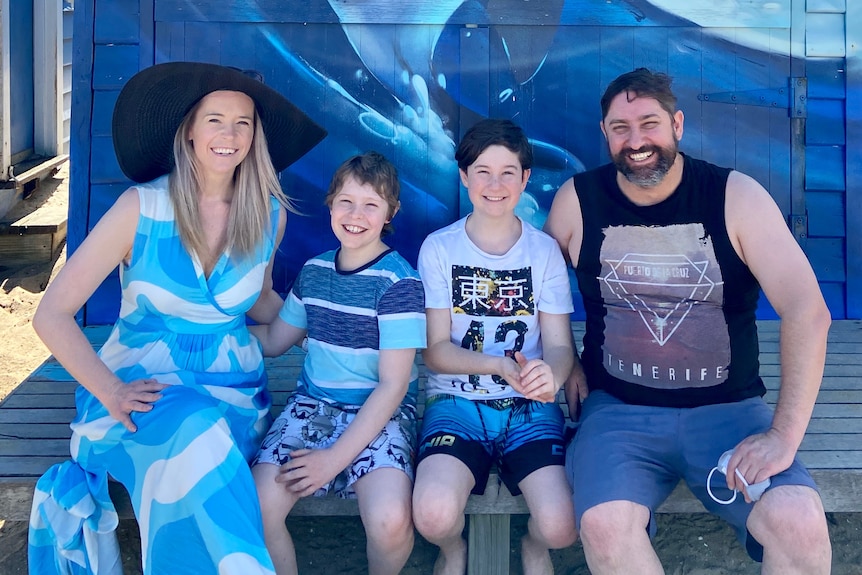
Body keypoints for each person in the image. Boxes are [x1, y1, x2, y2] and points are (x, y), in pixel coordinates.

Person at [28, 61, 326, 574]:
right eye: (215, 119)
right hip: (137, 392)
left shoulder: (267, 212)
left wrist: (320, 333)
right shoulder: (140, 208)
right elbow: (50, 314)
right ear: (188, 130)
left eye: (243, 123)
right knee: (192, 429)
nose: (229, 135)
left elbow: (256, 302)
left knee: (203, 433)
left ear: (256, 136)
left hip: (232, 396)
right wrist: (111, 391)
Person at [544, 67, 832, 574]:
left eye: (649, 123)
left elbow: (808, 311)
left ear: (677, 124)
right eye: (620, 127)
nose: (636, 141)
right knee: (605, 525)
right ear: (605, 134)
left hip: (729, 411)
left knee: (800, 522)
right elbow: (540, 293)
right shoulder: (577, 201)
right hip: (618, 413)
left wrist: (783, 437)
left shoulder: (735, 197)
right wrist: (564, 358)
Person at [412, 118, 578, 575]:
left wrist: (553, 374)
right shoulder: (439, 249)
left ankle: (533, 547)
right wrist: (497, 367)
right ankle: (452, 550)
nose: (495, 184)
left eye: (509, 172)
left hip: (528, 407)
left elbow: (561, 347)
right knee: (432, 514)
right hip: (457, 402)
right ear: (463, 177)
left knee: (562, 526)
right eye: (482, 171)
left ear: (526, 178)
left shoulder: (543, 251)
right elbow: (436, 351)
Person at [250, 151, 427, 575]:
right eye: (346, 201)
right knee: (257, 507)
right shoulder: (313, 272)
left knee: (390, 522)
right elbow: (274, 340)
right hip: (313, 406)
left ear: (390, 213)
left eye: (371, 205)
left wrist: (333, 459)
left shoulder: (400, 283)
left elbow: (393, 387)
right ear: (330, 203)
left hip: (381, 412)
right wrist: (205, 337)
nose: (356, 215)